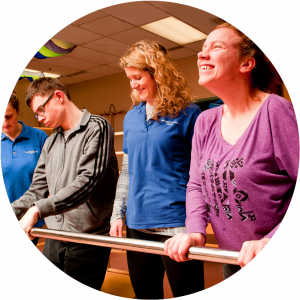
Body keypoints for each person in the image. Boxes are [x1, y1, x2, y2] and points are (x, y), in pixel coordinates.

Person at [164, 22, 300, 280]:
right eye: (203, 48)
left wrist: (269, 239)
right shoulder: (206, 121)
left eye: (216, 47)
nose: (201, 54)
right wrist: (195, 230)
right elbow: (196, 185)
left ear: (246, 64)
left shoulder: (275, 111)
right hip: (232, 260)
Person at [109, 40, 203, 299]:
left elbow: (200, 173)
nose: (133, 84)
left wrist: (198, 224)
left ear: (157, 73)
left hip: (176, 224)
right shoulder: (131, 117)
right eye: (130, 79)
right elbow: (127, 171)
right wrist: (118, 213)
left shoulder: (189, 114)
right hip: (137, 224)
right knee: (145, 295)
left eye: (138, 77)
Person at [10, 78, 119, 291]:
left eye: (41, 110)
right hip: (55, 235)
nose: (40, 119)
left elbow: (86, 182)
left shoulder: (98, 127)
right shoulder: (51, 142)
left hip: (88, 237)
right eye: (36, 114)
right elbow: (37, 189)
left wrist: (37, 211)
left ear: (59, 97)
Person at [1, 91, 47, 246]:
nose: (4, 122)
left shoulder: (39, 137)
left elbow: (48, 177)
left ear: (18, 110)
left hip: (29, 216)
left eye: (8, 116)